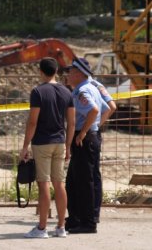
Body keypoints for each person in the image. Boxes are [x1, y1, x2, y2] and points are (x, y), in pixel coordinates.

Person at [20, 58, 75, 239]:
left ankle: (42, 228)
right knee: (59, 184)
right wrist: (68, 146)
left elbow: (33, 121)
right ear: (56, 70)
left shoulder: (38, 91)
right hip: (60, 142)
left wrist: (25, 145)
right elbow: (72, 122)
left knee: (43, 184)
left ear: (41, 71)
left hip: (42, 142)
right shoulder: (67, 91)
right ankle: (60, 227)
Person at [64, 58, 110, 234]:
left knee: (83, 182)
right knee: (74, 181)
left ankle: (88, 223)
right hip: (89, 136)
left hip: (83, 138)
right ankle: (77, 219)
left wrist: (84, 132)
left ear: (79, 73)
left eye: (70, 72)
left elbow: (95, 110)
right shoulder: (91, 88)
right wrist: (94, 129)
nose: (68, 75)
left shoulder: (83, 90)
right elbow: (107, 108)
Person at [79, 57, 117, 223]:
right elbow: (111, 107)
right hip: (95, 132)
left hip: (87, 132)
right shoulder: (98, 85)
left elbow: (108, 108)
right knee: (95, 174)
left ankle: (88, 215)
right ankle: (94, 212)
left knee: (86, 175)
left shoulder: (87, 87)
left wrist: (91, 126)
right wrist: (97, 125)